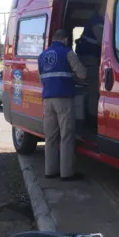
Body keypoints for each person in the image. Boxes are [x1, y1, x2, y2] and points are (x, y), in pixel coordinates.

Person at [39, 29, 87, 181]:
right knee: (66, 135)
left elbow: (42, 79)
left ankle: (50, 171)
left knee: (50, 137)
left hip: (47, 99)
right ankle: (66, 173)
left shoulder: (42, 56)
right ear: (65, 39)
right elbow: (82, 74)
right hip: (64, 99)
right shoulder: (68, 53)